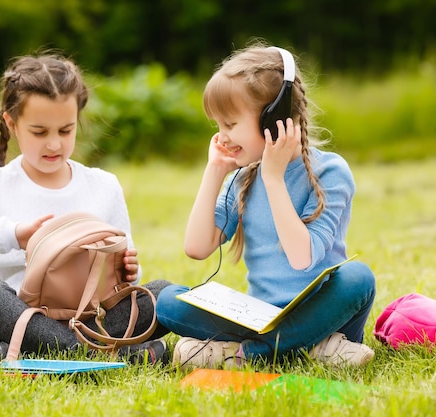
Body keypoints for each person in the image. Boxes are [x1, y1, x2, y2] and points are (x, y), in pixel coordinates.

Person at [0, 53, 171, 364]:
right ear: (11, 123)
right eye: (40, 132)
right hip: (23, 318)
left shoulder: (103, 185)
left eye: (65, 131)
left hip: (90, 319)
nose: (54, 144)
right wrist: (14, 235)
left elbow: (125, 281)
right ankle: (97, 351)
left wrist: (129, 270)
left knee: (166, 294)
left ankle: (42, 352)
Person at [155, 43, 376, 369]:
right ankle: (314, 351)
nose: (221, 137)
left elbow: (302, 258)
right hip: (262, 317)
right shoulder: (241, 178)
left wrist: (274, 179)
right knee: (168, 301)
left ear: (274, 119)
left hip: (324, 314)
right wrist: (214, 171)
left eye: (230, 125)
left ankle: (244, 355)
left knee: (358, 277)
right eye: (217, 125)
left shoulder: (331, 172)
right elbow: (197, 247)